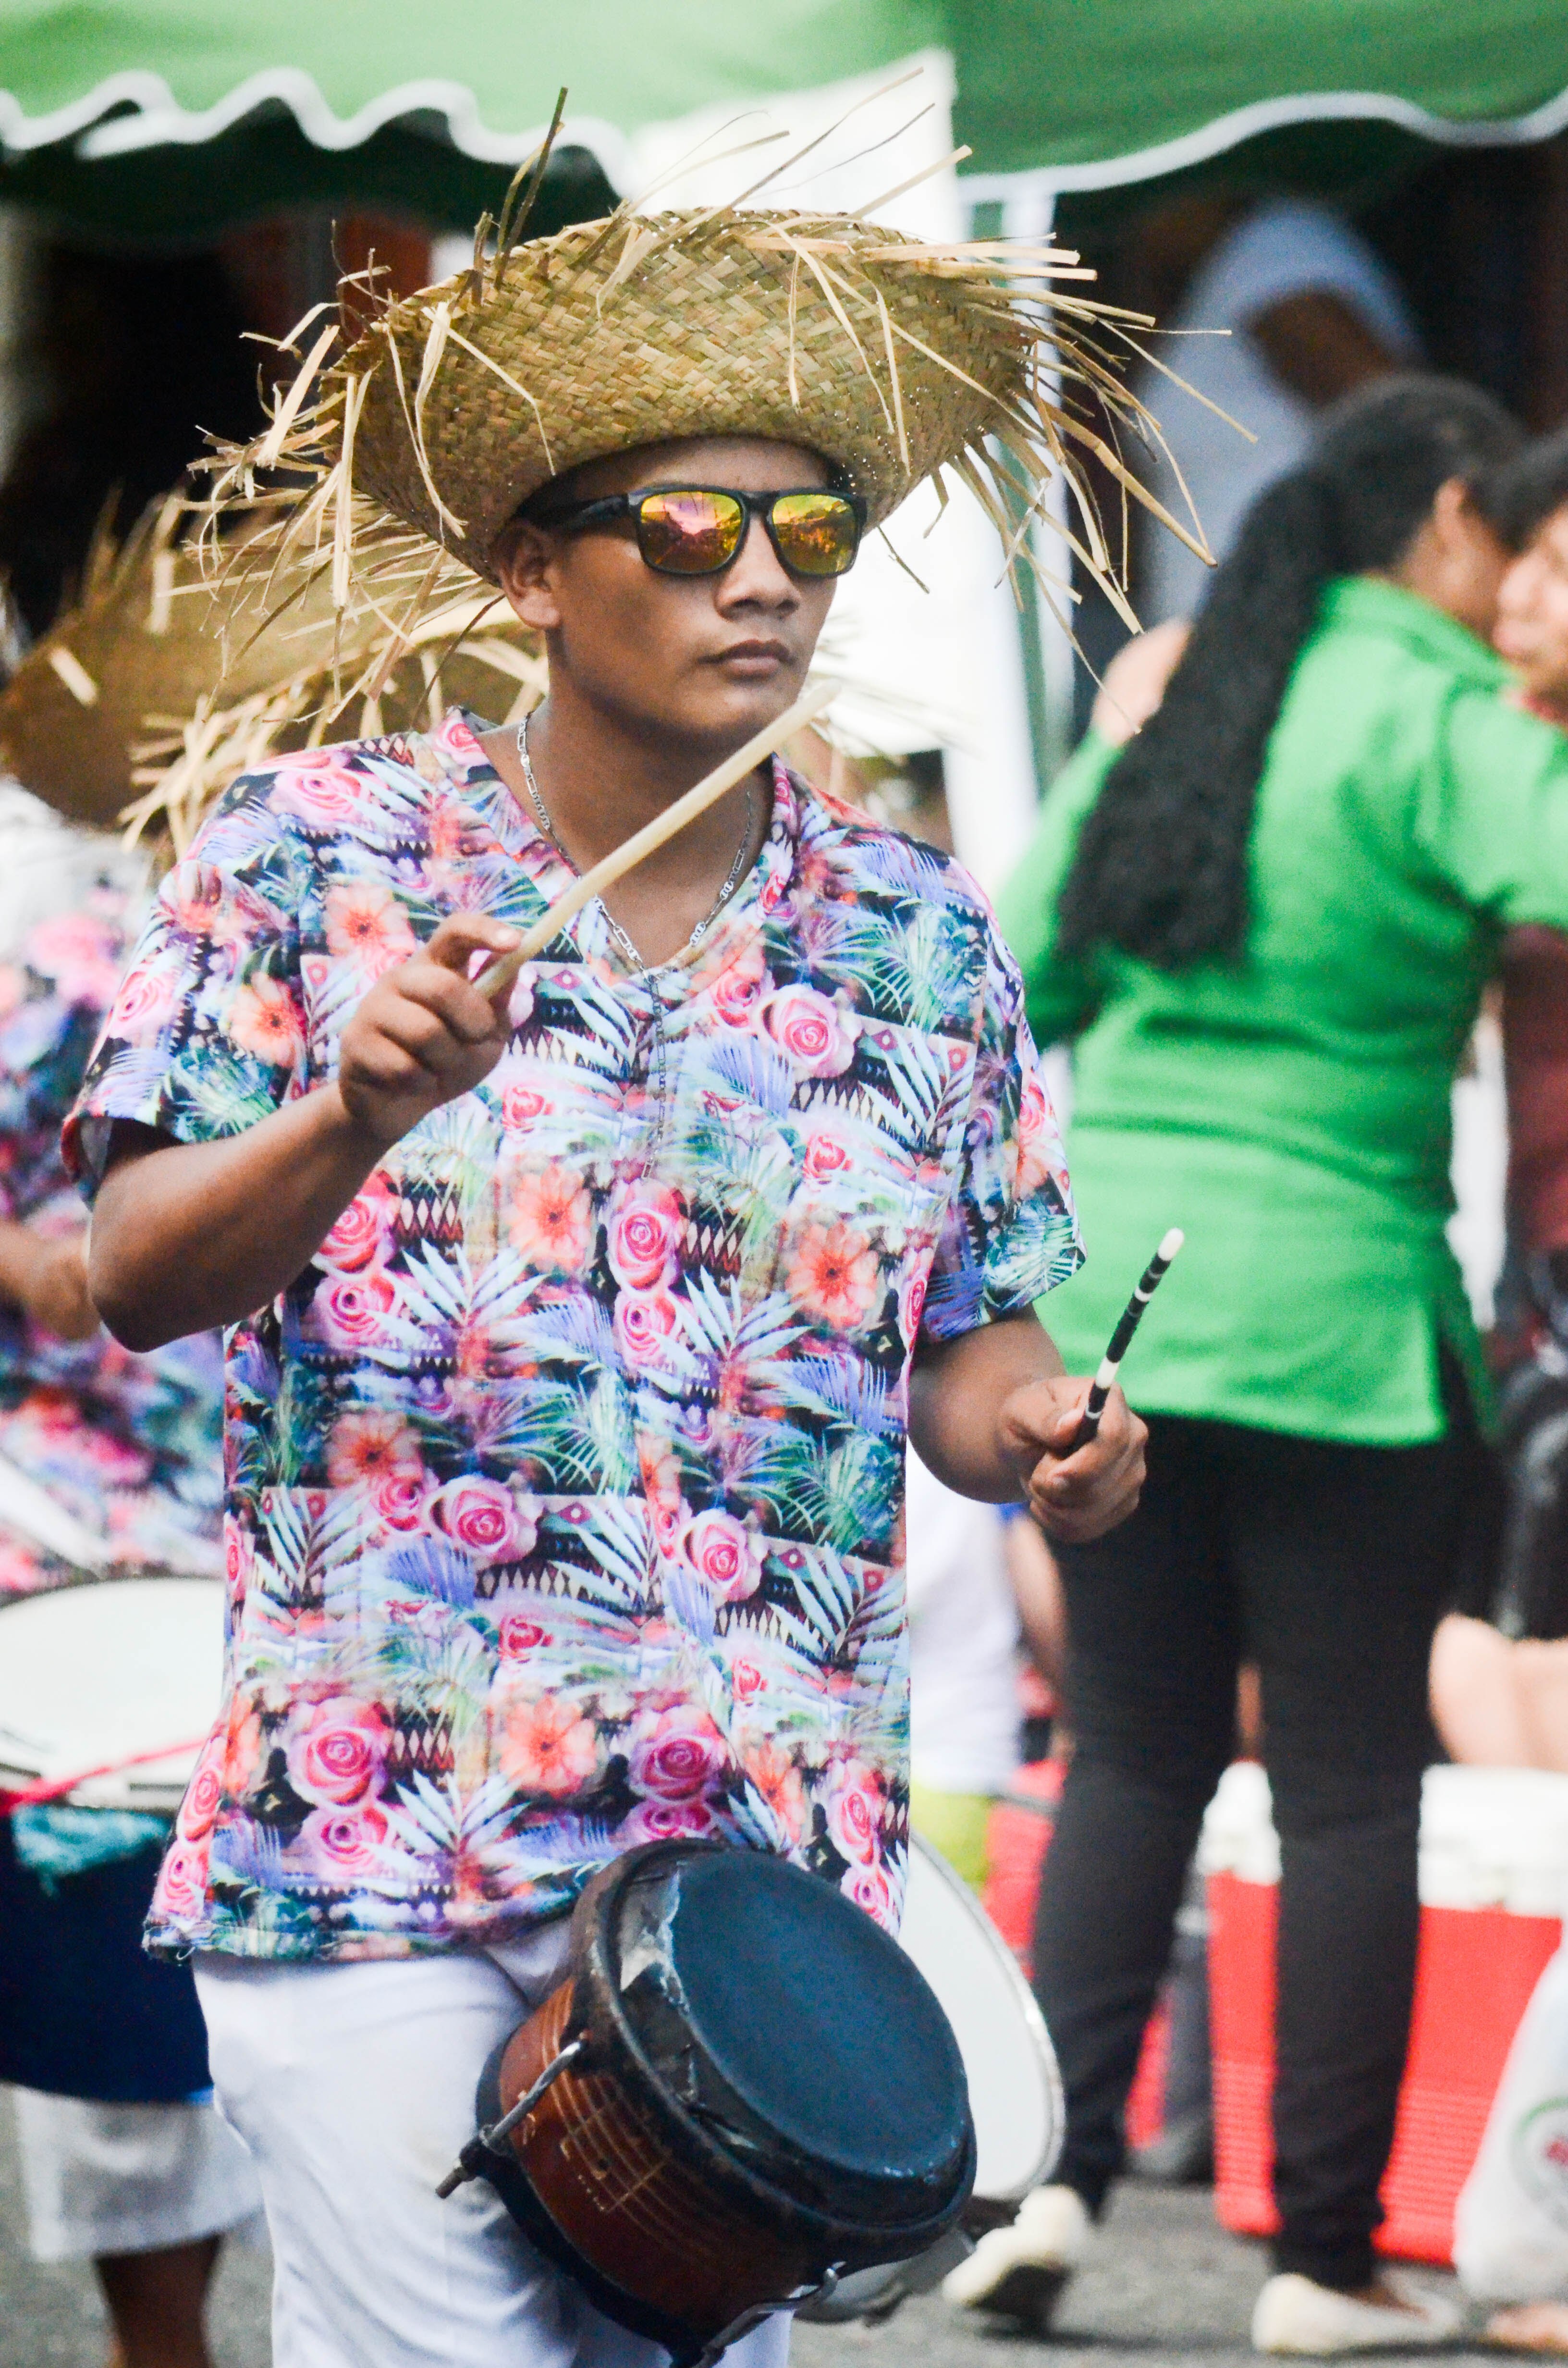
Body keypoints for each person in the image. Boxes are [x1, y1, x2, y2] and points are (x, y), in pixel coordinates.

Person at [63, 194, 1149, 2368]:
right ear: (530, 573)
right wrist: (346, 1119)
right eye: (684, 527)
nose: (758, 579)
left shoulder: (916, 933)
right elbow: (134, 1275)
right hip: (377, 1837)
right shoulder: (313, 851)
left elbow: (971, 1354)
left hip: (751, 1904)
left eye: (807, 533)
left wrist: (1046, 1437)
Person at [945, 376, 1568, 2356]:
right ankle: (1316, 2256)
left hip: (1116, 1322)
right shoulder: (1440, 713)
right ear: (1453, 518)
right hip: (1341, 1329)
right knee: (1349, 1790)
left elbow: (1018, 960)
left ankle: (1048, 2180)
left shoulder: (1192, 697)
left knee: (1128, 1754)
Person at [0, 777, 259, 2368]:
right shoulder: (42, 899)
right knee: (115, 1980)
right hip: (57, 1506)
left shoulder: (311, 869)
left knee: (217, 1981)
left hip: (263, 1482)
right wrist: (39, 1261)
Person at [1135, 193, 1417, 625]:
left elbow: (1399, 424)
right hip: (1225, 635)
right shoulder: (1208, 276)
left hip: (1296, 627)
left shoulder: (1277, 253)